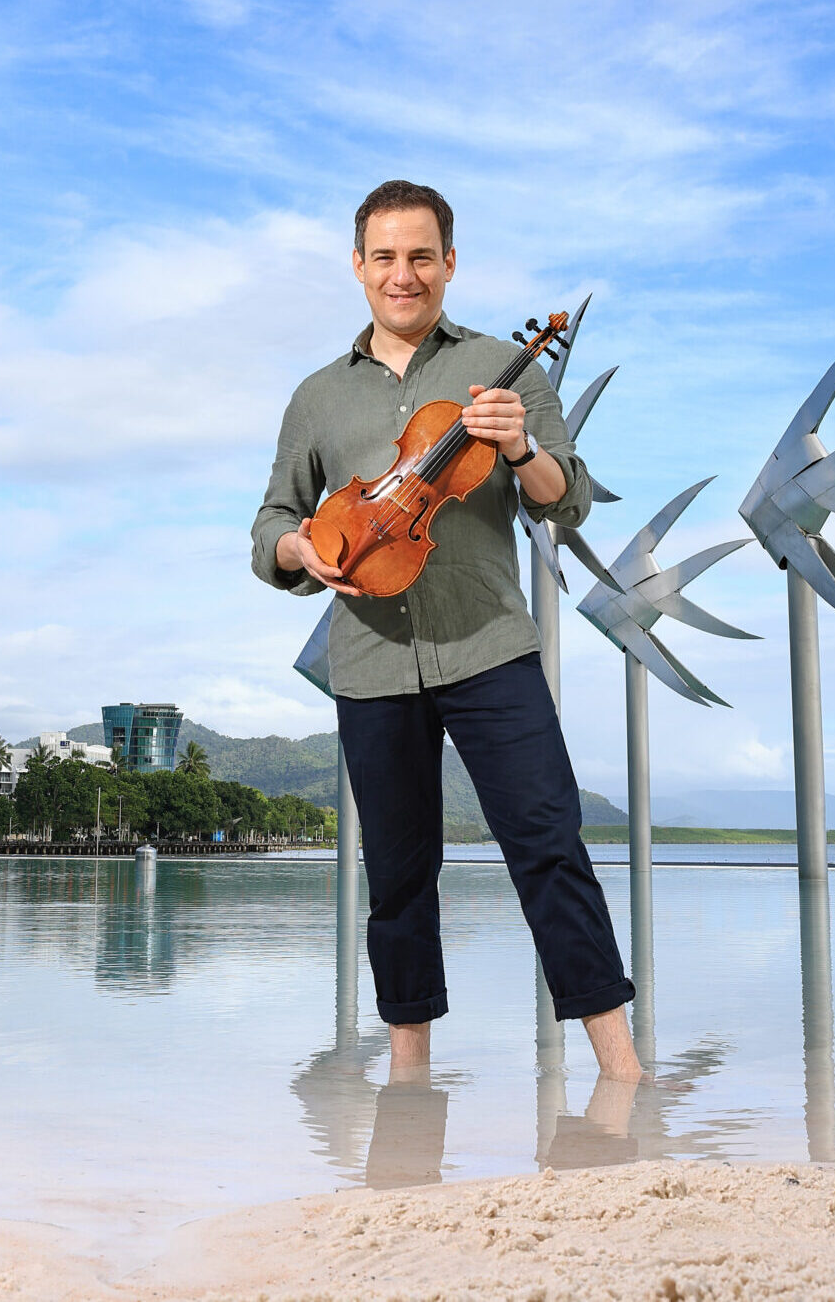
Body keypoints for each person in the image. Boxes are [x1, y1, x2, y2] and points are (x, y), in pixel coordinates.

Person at [251, 179, 640, 1083]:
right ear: (358, 266)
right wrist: (299, 547)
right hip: (370, 656)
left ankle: (622, 1070)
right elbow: (272, 517)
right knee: (398, 874)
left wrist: (521, 448)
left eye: (421, 255)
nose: (403, 273)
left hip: (489, 646)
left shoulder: (509, 368)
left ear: (450, 263)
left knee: (549, 844)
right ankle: (410, 1078)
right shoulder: (316, 398)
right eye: (384, 256)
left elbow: (567, 501)